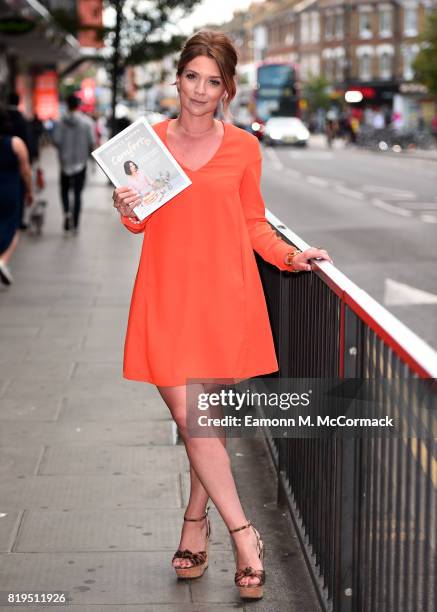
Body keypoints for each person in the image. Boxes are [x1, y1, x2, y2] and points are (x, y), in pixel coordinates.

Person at [112, 30, 332, 601]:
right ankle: (245, 534)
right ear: (177, 78)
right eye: (192, 77)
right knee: (195, 419)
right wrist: (127, 207)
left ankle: (194, 525)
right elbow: (139, 225)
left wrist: (289, 254)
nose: (200, 92)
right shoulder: (147, 145)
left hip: (224, 300)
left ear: (227, 89)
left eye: (214, 82)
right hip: (165, 297)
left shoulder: (242, 148)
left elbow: (253, 222)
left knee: (200, 426)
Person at [53, 94, 95, 234]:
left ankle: (66, 213)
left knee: (64, 190)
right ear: (78, 105)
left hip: (65, 163)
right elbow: (91, 143)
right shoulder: (87, 122)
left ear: (67, 104)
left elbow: (56, 141)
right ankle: (76, 224)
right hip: (80, 163)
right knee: (77, 194)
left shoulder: (59, 122)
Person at [0, 109, 33, 285]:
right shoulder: (15, 143)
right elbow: (26, 171)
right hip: (10, 190)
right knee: (13, 227)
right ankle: (3, 260)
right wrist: (30, 191)